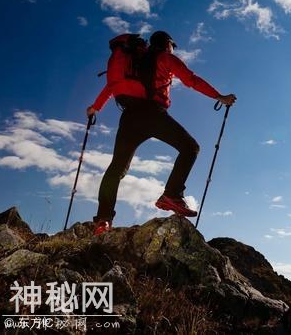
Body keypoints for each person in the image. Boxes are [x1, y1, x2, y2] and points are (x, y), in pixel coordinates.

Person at [87, 31, 236, 235]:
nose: (173, 49)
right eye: (173, 45)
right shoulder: (165, 58)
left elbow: (111, 86)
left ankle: (103, 220)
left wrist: (95, 108)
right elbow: (191, 80)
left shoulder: (134, 61)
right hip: (152, 114)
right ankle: (172, 194)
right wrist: (219, 97)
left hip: (129, 117)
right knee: (190, 148)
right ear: (167, 44)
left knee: (117, 168)